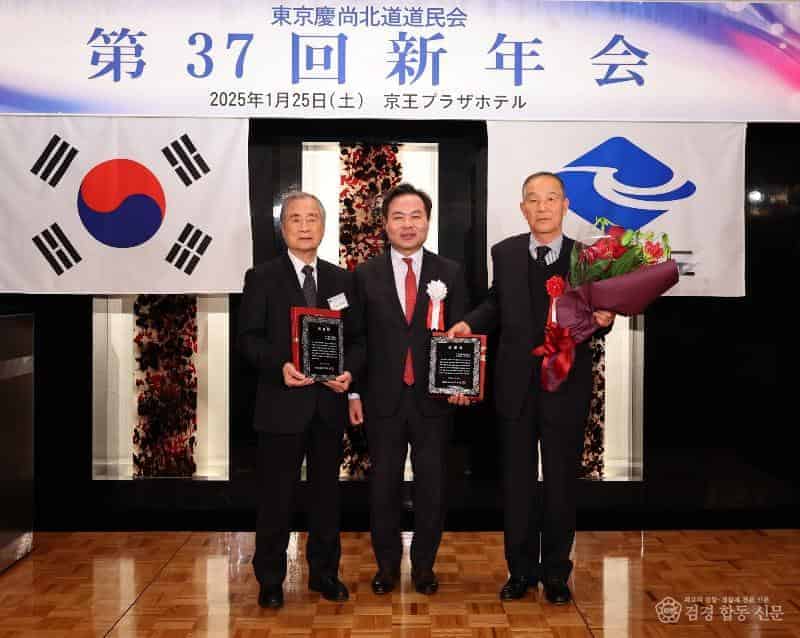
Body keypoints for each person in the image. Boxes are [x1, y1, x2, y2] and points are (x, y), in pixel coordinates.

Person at [448, 172, 614, 605]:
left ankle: (556, 573)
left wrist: (606, 320)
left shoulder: (587, 258)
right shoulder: (503, 253)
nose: (542, 207)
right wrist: (469, 323)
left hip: (566, 386)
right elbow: (496, 303)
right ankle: (519, 571)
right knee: (516, 483)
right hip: (515, 387)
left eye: (551, 199)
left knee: (560, 483)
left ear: (565, 206)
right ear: (523, 208)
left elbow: (597, 316)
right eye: (534, 200)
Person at [238, 191, 361, 609]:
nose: (305, 226)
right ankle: (271, 580)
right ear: (283, 227)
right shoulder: (262, 277)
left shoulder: (343, 280)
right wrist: (280, 367)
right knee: (276, 499)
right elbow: (248, 340)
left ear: (323, 227)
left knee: (326, 498)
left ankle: (325, 574)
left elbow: (358, 341)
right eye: (296, 219)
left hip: (328, 406)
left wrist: (349, 373)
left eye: (312, 219)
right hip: (280, 405)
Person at [348, 183, 467, 595]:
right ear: (385, 224)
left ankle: (424, 567)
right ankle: (385, 567)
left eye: (416, 216)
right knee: (383, 488)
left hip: (434, 401)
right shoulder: (364, 275)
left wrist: (460, 382)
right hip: (382, 401)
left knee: (433, 488)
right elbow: (357, 339)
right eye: (398, 217)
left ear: (428, 222)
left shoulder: (450, 272)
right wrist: (354, 393)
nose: (408, 224)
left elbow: (462, 335)